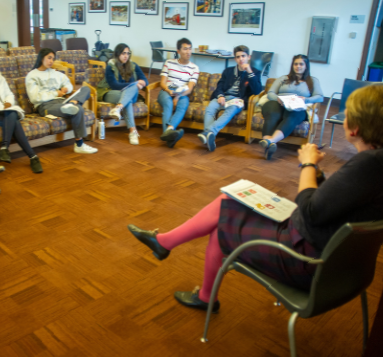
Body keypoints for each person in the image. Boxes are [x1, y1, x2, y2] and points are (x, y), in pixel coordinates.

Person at [127, 83, 383, 313]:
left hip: (305, 260)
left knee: (224, 211)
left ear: (355, 128)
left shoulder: (367, 165)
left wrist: (307, 165)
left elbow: (309, 210)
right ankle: (184, 269)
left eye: (347, 112)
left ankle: (168, 249)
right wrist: (318, 174)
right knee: (228, 208)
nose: (343, 115)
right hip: (335, 261)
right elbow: (338, 202)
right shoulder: (375, 163)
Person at [26, 48, 98, 154]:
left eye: (53, 59)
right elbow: (34, 97)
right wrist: (55, 93)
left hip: (62, 101)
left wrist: (66, 89)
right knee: (78, 110)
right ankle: (79, 144)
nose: (51, 61)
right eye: (49, 58)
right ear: (41, 58)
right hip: (45, 106)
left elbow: (67, 83)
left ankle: (73, 103)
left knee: (86, 89)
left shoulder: (55, 73)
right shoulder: (32, 75)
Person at [198, 45, 262, 151]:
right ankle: (210, 136)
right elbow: (220, 86)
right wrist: (220, 95)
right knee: (210, 107)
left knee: (230, 110)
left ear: (249, 57)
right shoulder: (228, 71)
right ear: (235, 58)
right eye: (238, 57)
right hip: (224, 97)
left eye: (243, 56)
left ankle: (208, 132)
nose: (241, 59)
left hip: (238, 100)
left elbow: (257, 91)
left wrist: (250, 72)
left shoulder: (255, 72)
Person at [260, 54, 323, 160]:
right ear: (292, 65)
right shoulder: (283, 78)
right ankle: (269, 143)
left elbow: (320, 97)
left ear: (306, 66)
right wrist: (277, 99)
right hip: (279, 103)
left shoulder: (312, 81)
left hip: (297, 106)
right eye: (296, 64)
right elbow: (270, 93)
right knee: (272, 112)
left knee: (292, 116)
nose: (298, 66)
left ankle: (270, 141)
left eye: (301, 64)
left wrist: (306, 99)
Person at [97, 43, 148, 145]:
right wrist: (134, 84)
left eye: (127, 53)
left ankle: (118, 108)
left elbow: (145, 80)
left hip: (129, 95)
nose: (126, 56)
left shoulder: (133, 65)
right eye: (123, 53)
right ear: (117, 54)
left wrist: (140, 83)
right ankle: (133, 131)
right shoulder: (110, 65)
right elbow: (115, 85)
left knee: (130, 91)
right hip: (110, 92)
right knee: (128, 97)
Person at [158, 38, 199, 148]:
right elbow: (162, 83)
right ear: (178, 51)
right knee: (168, 104)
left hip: (182, 93)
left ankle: (169, 130)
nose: (188, 52)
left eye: (190, 49)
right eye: (185, 49)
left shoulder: (194, 68)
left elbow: (189, 89)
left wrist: (178, 96)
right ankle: (168, 134)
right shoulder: (169, 63)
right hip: (166, 90)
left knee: (183, 105)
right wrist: (168, 90)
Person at [0, 74, 43, 173]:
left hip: (4, 111)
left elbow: (9, 94)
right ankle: (33, 156)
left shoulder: (0, 77)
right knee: (13, 118)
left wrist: (8, 103)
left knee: (12, 114)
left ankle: (4, 148)